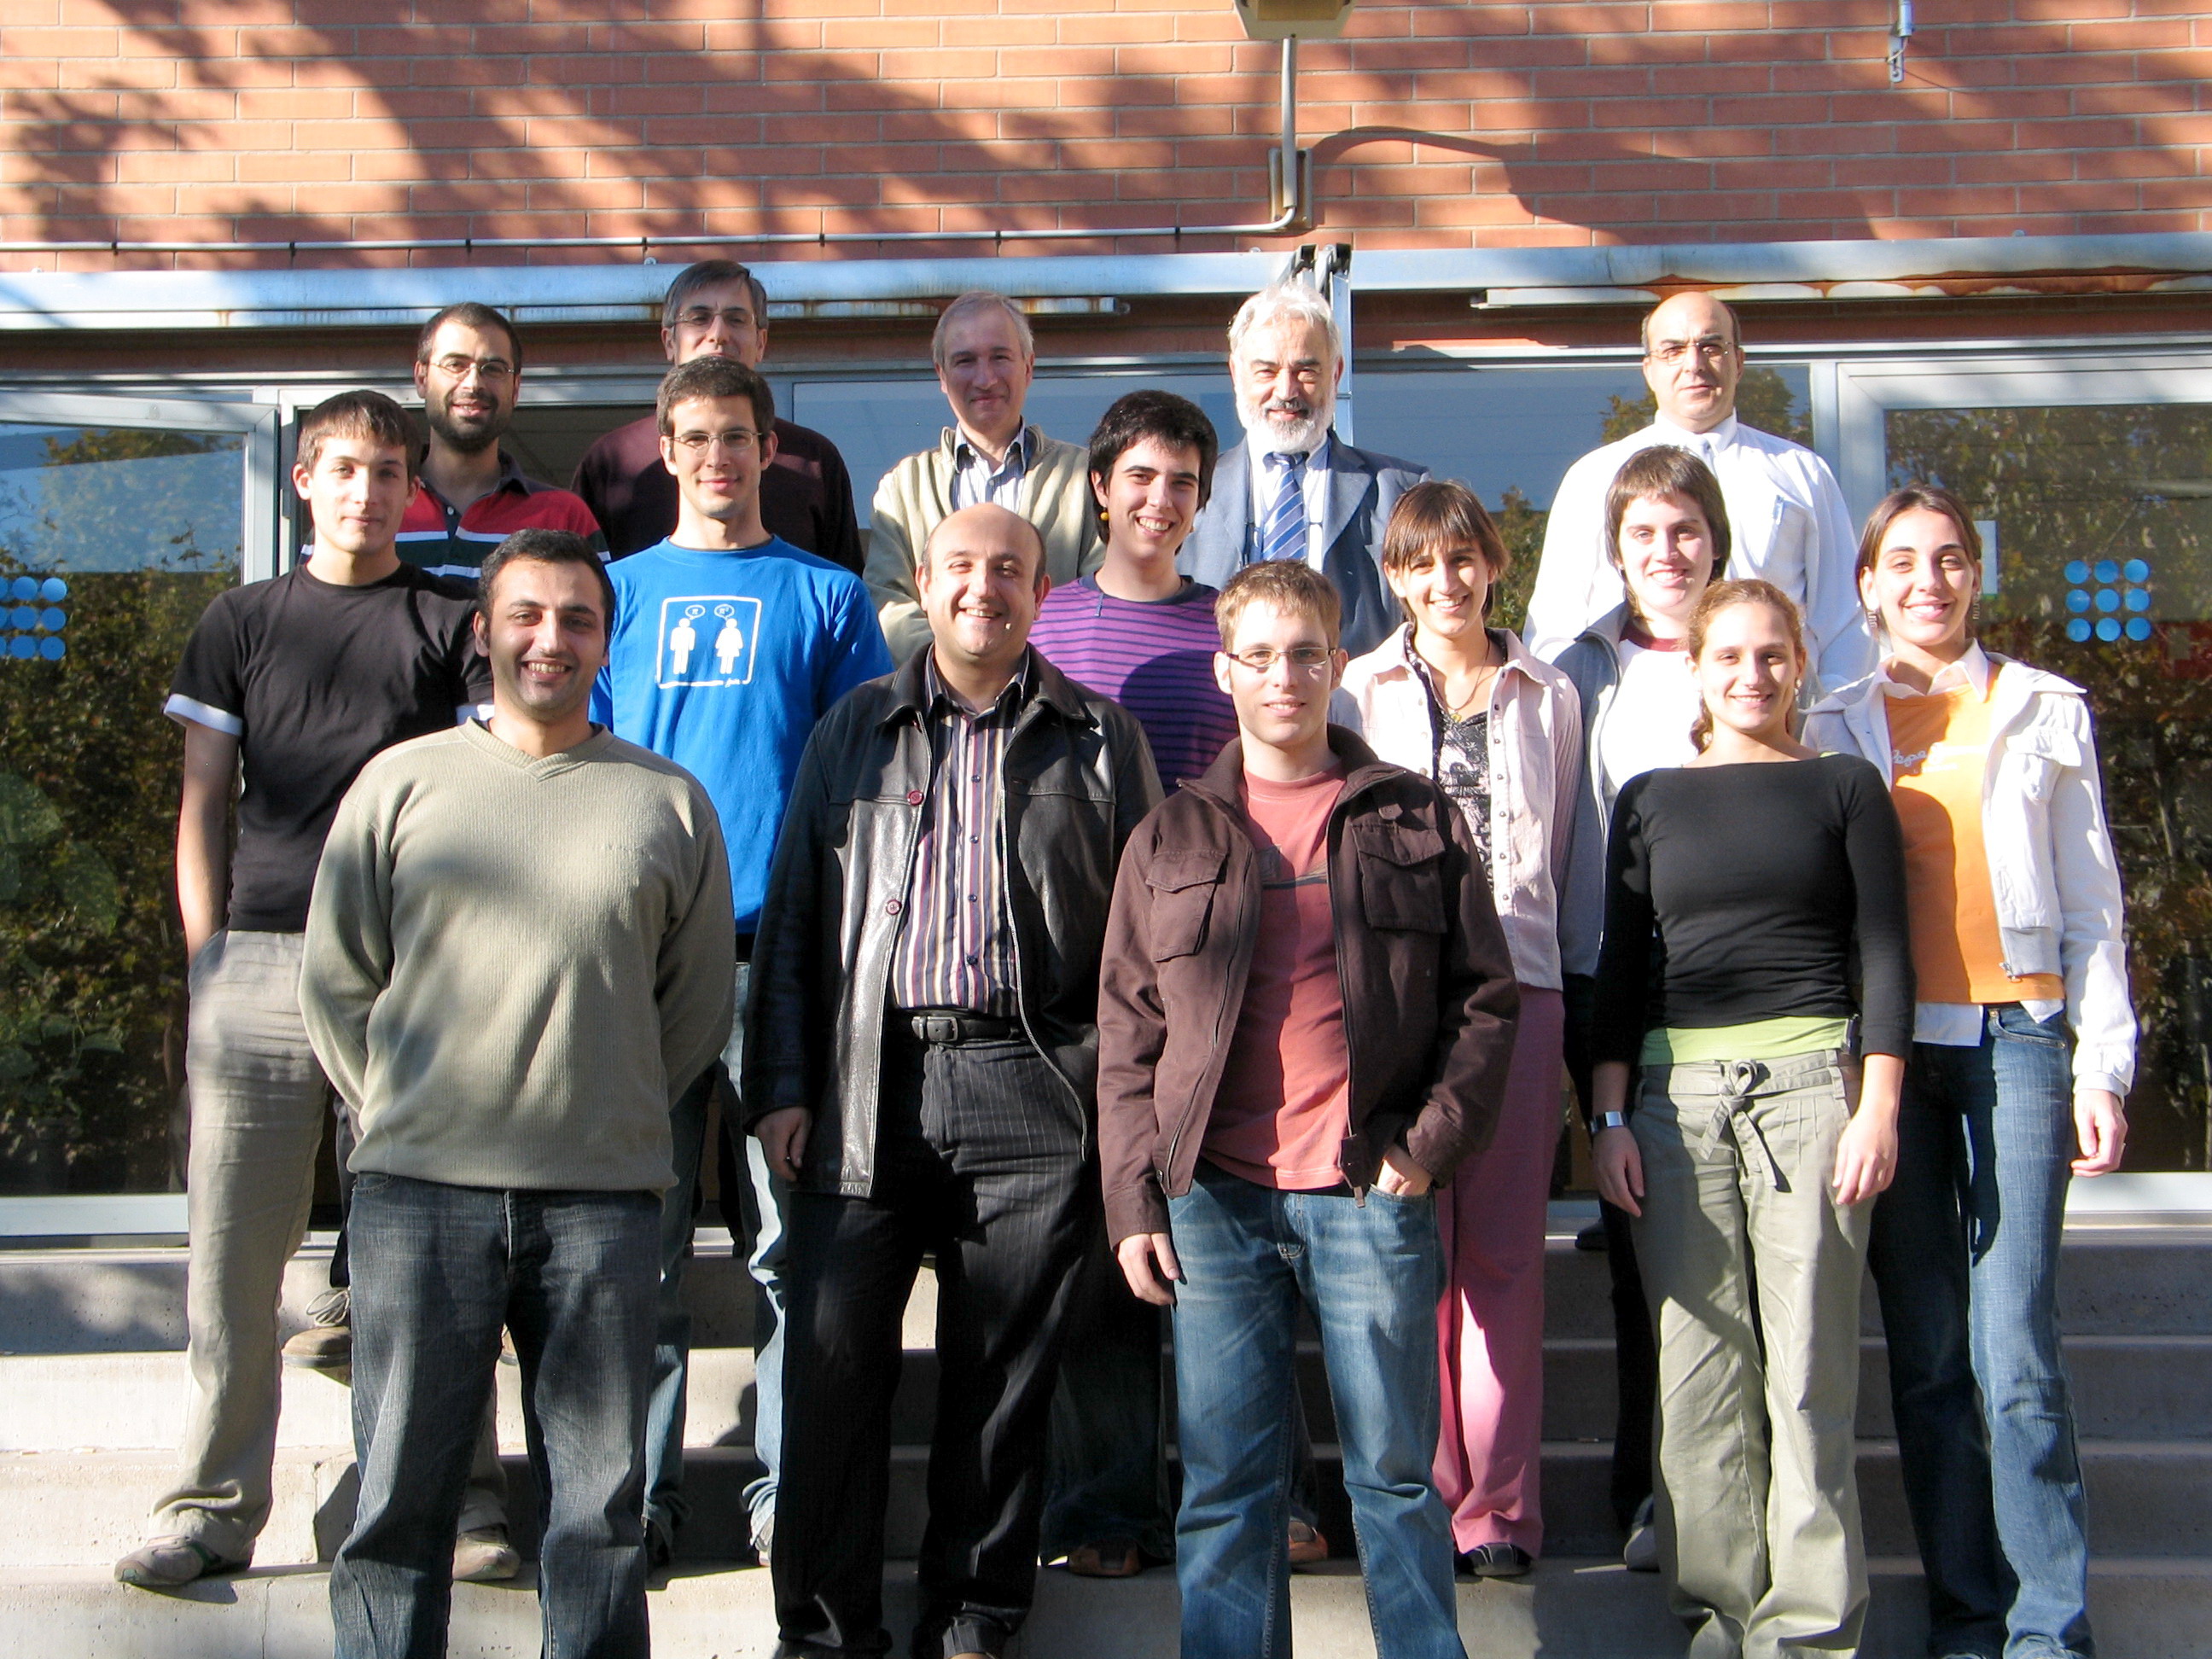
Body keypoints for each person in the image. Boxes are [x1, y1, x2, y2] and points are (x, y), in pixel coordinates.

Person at [302, 528, 736, 1659]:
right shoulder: (401, 784)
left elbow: (693, 1009)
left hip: (600, 1203)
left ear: (607, 641)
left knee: (597, 1518)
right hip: (420, 1195)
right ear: (484, 632)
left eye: (578, 618)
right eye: (527, 615)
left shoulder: (668, 803)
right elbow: (338, 979)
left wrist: (602, 1101)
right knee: (399, 1510)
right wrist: (406, 1108)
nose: (552, 638)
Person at [746, 502, 1160, 1659]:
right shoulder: (854, 728)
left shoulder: (1102, 740)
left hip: (1034, 1091)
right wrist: (782, 1084)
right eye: (963, 568)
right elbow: (795, 914)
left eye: (1011, 569)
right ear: (923, 584)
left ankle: (974, 1613)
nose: (986, 587)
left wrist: (1120, 1115)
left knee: (1002, 1381)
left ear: (1043, 592)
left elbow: (1143, 953)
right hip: (865, 1085)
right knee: (832, 1370)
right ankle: (825, 1631)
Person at [1098, 558, 1521, 1659]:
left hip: (1368, 1190)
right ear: (1225, 671)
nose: (1282, 676)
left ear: (1337, 665)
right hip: (1215, 1202)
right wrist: (1133, 1204)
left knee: (1395, 1478)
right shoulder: (1172, 834)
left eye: (1304, 655)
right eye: (1259, 656)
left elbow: (1485, 999)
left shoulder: (1412, 814)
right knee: (1226, 1486)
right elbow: (1129, 1032)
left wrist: (1427, 1147)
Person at [115, 391, 492, 1591]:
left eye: (387, 472)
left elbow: (487, 798)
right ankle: (209, 1510)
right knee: (233, 1259)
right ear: (303, 480)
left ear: (412, 487)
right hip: (262, 964)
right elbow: (202, 803)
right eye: (344, 470)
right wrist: (208, 957)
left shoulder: (452, 620)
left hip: (411, 975)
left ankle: (450, 1501)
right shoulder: (242, 620)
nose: (366, 493)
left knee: (432, 1256)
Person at [1806, 487, 2133, 1659]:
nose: (1928, 581)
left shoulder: (2042, 707)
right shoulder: (1830, 721)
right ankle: (1968, 1612)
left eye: (1949, 560)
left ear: (1975, 577)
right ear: (1867, 585)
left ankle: (2049, 1626)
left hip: (2019, 1043)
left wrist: (2104, 1065)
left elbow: (2094, 904)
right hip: (1888, 1058)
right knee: (1930, 1351)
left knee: (2016, 1352)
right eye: (1903, 562)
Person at [590, 354, 893, 1568]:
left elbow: (868, 786)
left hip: (780, 961)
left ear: (771, 451)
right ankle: (636, 1504)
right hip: (638, 959)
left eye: (737, 436)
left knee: (787, 1247)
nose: (716, 457)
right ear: (665, 451)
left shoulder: (829, 597)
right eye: (695, 437)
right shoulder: (610, 594)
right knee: (637, 1247)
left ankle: (786, 1501)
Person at [1591, 578, 1912, 1659]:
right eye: (1729, 655)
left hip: (1814, 1096)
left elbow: (1885, 955)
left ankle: (1809, 1631)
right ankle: (1719, 1621)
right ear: (1695, 667)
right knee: (1697, 1380)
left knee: (1810, 1373)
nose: (1752, 675)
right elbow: (1621, 973)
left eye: (1772, 654)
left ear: (1800, 663)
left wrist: (1878, 1105)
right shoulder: (1649, 800)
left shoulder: (1844, 785)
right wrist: (1607, 1121)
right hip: (1675, 1114)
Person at [1337, 480, 1581, 1579]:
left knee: (1504, 1261)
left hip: (1519, 992)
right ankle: (1428, 1504)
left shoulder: (1550, 693)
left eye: (1463, 558)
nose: (1447, 581)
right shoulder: (1357, 690)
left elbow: (1564, 851)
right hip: (1397, 1001)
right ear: (1394, 578)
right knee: (1407, 1255)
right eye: (1421, 563)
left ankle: (1501, 1514)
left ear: (1493, 564)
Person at [1023, 388, 1231, 1580]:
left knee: (1223, 1231)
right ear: (1099, 487)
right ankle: (1105, 1506)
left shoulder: (1230, 623)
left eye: (1184, 482)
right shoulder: (1046, 617)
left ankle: (1247, 1493)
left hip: (1207, 962)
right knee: (1096, 1237)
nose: (1161, 500)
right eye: (1141, 477)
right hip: (1068, 969)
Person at [1550, 443, 1731, 1566]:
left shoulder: (1750, 654)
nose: (1667, 553)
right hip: (1600, 977)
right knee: (1635, 1249)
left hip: (1727, 988)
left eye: (1685, 531)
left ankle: (1727, 1487)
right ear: (1615, 552)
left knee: (1719, 1249)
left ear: (1716, 542)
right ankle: (1649, 1491)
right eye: (1644, 535)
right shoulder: (1579, 668)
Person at [1523, 293, 1873, 691]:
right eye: (1673, 350)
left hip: (1772, 710)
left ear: (1738, 361)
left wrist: (1831, 712)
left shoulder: (1801, 473)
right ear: (1649, 370)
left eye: (1711, 346)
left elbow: (1844, 616)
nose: (1694, 364)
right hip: (1634, 709)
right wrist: (1567, 713)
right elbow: (1556, 622)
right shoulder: (1594, 477)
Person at [1179, 282, 1430, 659]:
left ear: (1336, 373)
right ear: (1235, 373)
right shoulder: (1190, 490)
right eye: (1266, 371)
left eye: (1306, 371)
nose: (1286, 390)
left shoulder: (1402, 492)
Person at [573, 259, 864, 571]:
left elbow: (844, 579)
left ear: (761, 342)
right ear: (669, 341)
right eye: (699, 318)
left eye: (736, 319)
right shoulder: (614, 460)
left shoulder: (814, 460)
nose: (718, 334)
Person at [864, 290, 1103, 660]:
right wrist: (959, 670)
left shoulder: (1086, 480)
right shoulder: (903, 489)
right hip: (935, 693)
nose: (985, 378)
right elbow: (888, 602)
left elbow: (1100, 597)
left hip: (1052, 689)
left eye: (1000, 358)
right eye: (965, 361)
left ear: (1028, 367)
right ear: (942, 375)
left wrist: (1027, 672)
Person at [390, 301, 606, 584]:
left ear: (515, 388)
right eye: (455, 365)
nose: (473, 384)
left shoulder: (564, 517)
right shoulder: (374, 506)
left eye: (493, 368)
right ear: (421, 378)